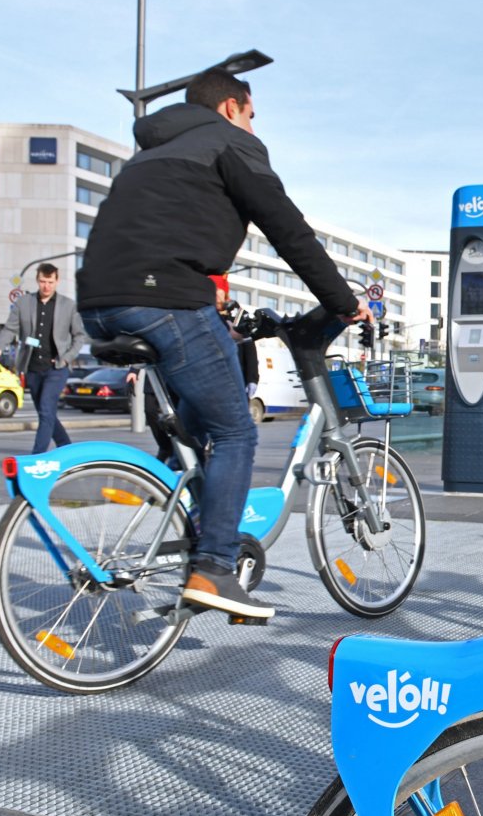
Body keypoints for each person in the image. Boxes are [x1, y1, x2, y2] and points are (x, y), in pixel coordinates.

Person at [76, 69, 371, 621]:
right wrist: (343, 300)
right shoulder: (231, 141)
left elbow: (153, 234)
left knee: (196, 423)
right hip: (164, 298)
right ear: (234, 106)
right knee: (236, 429)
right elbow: (289, 230)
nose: (255, 124)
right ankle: (213, 569)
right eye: (253, 114)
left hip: (101, 302)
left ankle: (180, 502)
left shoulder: (147, 155)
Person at [0, 263, 86, 454]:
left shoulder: (68, 306)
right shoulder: (23, 303)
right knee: (47, 413)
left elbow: (79, 337)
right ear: (37, 280)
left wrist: (67, 358)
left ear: (57, 281)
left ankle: (37, 457)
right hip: (32, 367)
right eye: (43, 282)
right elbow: (10, 328)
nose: (46, 286)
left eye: (50, 282)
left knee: (45, 409)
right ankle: (68, 450)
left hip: (57, 367)